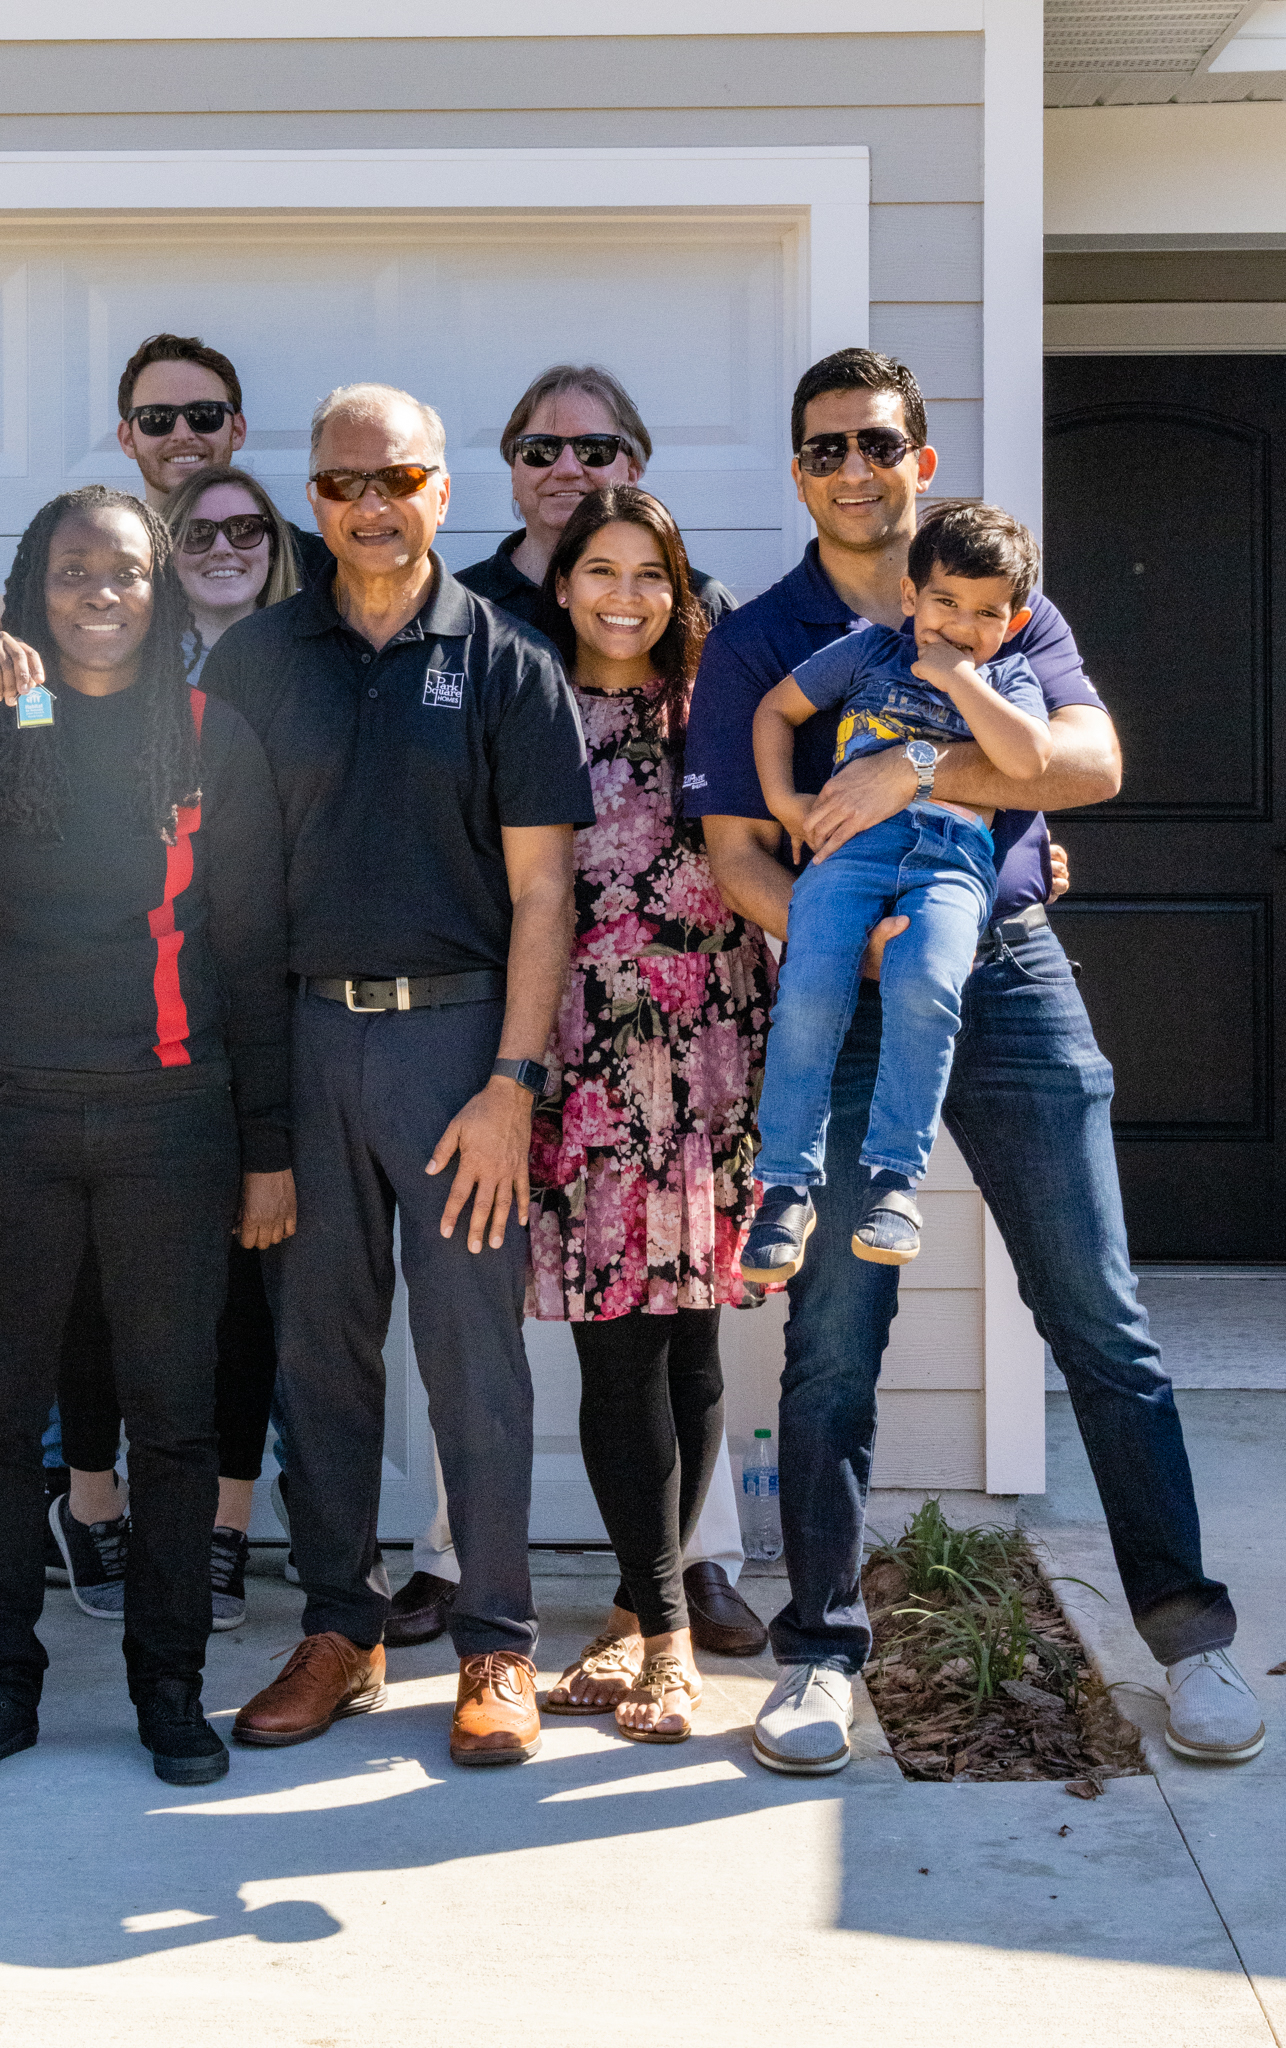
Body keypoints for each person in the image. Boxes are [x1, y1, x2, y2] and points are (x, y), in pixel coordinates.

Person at [687, 347, 1264, 1773]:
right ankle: (820, 1654)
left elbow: (1087, 767)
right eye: (823, 448)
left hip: (1006, 977)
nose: (852, 467)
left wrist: (920, 771)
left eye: (875, 441)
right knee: (827, 1340)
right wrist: (860, 936)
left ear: (918, 460)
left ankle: (1188, 1645)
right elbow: (738, 857)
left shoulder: (1008, 604)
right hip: (847, 992)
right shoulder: (767, 638)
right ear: (798, 471)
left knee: (1100, 1321)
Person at [0, 485, 291, 1787]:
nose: (103, 593)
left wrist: (264, 1147)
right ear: (35, 589)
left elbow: (252, 959)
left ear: (160, 594)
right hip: (7, 1117)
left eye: (127, 573)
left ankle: (167, 1688)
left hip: (169, 1121)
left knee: (170, 1421)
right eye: (75, 573)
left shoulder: (211, 737)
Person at [208, 382, 594, 1768]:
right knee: (316, 1355)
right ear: (308, 497)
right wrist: (254, 1117)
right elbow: (230, 907)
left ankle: (494, 1644)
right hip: (305, 1040)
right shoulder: (253, 665)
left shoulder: (504, 660)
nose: (369, 507)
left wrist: (511, 1082)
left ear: (444, 491)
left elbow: (545, 894)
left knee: (470, 1355)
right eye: (339, 484)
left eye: (399, 479)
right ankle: (340, 1631)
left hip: (456, 1045)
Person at [522, 486, 775, 1742]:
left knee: (690, 1346)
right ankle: (669, 1635)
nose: (625, 595)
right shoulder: (523, 705)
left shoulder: (715, 703)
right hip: (584, 1064)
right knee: (614, 1349)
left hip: (711, 1053)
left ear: (679, 592)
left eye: (651, 575)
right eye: (600, 570)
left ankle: (637, 1616)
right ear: (561, 580)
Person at [742, 503, 1051, 1276]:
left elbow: (1029, 761)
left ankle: (893, 1184)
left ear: (1011, 623)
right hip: (848, 853)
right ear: (911, 598)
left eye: (986, 612)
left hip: (952, 860)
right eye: (945, 601)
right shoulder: (866, 652)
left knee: (928, 986)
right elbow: (776, 709)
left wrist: (959, 678)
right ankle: (784, 1189)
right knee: (809, 993)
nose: (959, 623)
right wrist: (786, 802)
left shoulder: (1010, 676)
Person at [457, 364, 735, 632]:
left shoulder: (700, 603)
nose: (566, 469)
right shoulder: (459, 607)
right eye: (541, 449)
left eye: (594, 448)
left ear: (632, 473)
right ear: (514, 475)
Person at [115, 331, 330, 579]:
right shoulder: (102, 566)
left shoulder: (318, 568)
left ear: (237, 430)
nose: (182, 434)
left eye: (205, 414)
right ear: (127, 438)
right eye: (156, 418)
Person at [165, 464, 301, 680]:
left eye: (244, 529)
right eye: (196, 533)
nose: (221, 549)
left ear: (272, 548)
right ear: (168, 554)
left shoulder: (318, 653)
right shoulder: (137, 661)